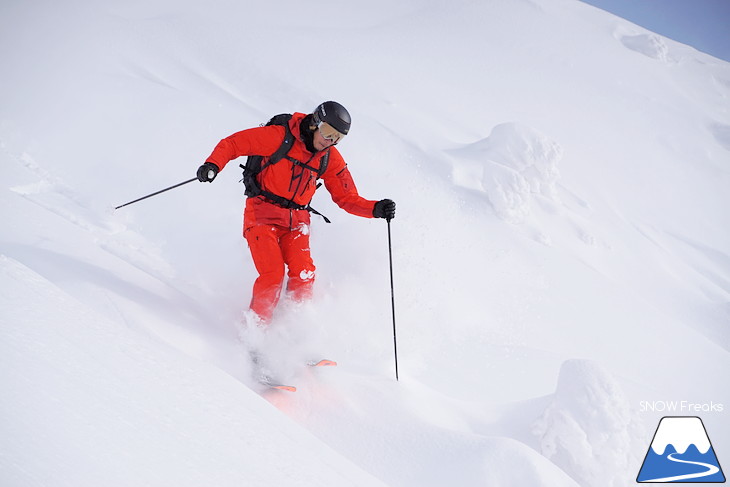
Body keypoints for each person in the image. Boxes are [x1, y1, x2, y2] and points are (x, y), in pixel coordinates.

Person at [197, 101, 396, 324]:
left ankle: (294, 334)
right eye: (328, 132)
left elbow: (346, 198)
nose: (330, 141)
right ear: (315, 123)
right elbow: (234, 144)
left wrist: (375, 209)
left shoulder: (330, 158)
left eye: (338, 138)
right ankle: (254, 334)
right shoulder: (279, 137)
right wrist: (213, 165)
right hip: (262, 213)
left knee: (304, 274)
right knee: (273, 275)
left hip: (297, 222)